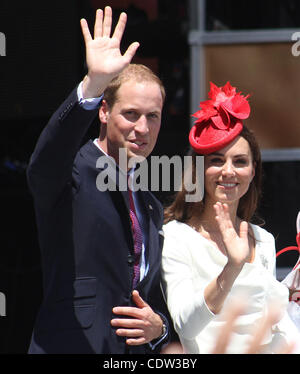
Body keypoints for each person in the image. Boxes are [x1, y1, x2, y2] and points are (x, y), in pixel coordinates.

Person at [27, 6, 169, 354]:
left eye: (153, 116)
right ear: (104, 111)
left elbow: (145, 293)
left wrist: (159, 327)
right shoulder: (72, 170)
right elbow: (44, 161)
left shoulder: (149, 204)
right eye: (131, 114)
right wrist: (93, 85)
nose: (143, 128)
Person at [161, 81, 300, 354]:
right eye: (216, 160)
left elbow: (269, 324)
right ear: (199, 169)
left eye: (239, 161)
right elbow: (185, 325)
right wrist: (232, 267)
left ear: (253, 170)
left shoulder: (263, 239)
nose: (228, 171)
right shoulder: (175, 237)